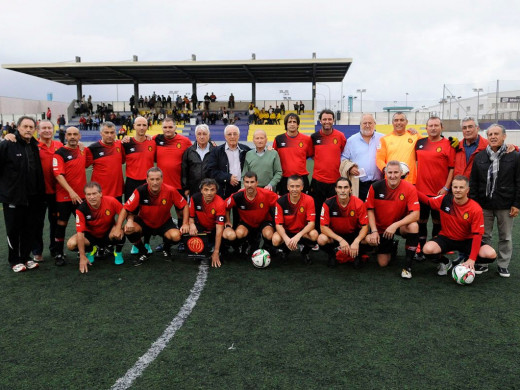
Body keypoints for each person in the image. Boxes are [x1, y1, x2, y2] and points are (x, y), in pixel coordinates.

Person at [469, 124, 520, 277]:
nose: (493, 137)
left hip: (506, 204)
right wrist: (474, 203)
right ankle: (483, 262)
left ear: (504, 136)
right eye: (490, 134)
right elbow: (474, 182)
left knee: (505, 236)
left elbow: (519, 181)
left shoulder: (515, 156)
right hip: (484, 204)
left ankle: (503, 265)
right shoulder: (480, 156)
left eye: (496, 134)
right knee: (483, 235)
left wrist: (516, 204)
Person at [420, 175, 497, 275]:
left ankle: (465, 260)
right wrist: (410, 188)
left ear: (467, 190)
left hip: (467, 240)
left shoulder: (475, 208)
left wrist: (472, 259)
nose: (458, 190)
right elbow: (427, 201)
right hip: (446, 238)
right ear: (451, 188)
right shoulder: (444, 200)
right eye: (455, 187)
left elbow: (477, 235)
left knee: (490, 254)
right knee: (427, 249)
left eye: (461, 187)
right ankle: (446, 262)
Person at [114, 167, 190, 265]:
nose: (155, 182)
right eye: (152, 179)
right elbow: (125, 208)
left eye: (158, 179)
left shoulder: (170, 190)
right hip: (144, 222)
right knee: (128, 229)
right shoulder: (140, 190)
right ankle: (143, 252)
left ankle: (166, 249)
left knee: (176, 236)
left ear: (162, 179)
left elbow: (184, 205)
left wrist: (185, 223)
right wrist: (118, 228)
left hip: (164, 222)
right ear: (147, 179)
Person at [0, 116, 45, 272]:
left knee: (28, 229)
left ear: (34, 129)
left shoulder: (34, 145)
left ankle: (25, 258)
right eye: (25, 126)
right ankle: (14, 261)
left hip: (32, 197)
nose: (28, 129)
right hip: (13, 197)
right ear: (18, 127)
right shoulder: (7, 144)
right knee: (14, 230)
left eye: (31, 127)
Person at [365, 161, 420, 279]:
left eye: (396, 172)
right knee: (382, 263)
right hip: (381, 228)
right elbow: (369, 209)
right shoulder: (375, 187)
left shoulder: (409, 188)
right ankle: (392, 246)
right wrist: (374, 230)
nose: (393, 176)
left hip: (399, 226)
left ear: (401, 173)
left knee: (414, 226)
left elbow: (415, 214)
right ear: (385, 173)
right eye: (390, 172)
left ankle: (408, 266)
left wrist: (395, 225)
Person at [414, 116, 455, 261]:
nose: (433, 128)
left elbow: (452, 168)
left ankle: (436, 249)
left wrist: (446, 187)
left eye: (436, 125)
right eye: (430, 125)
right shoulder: (419, 143)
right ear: (426, 128)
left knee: (439, 222)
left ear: (441, 128)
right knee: (421, 221)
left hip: (440, 193)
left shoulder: (449, 144)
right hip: (421, 191)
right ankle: (420, 249)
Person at [67, 182, 126, 273]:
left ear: (100, 193)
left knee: (120, 231)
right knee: (71, 244)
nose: (92, 197)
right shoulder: (81, 209)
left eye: (94, 193)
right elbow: (80, 232)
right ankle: (91, 249)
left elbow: (123, 211)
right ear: (85, 196)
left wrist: (118, 227)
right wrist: (82, 256)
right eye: (88, 194)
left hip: (108, 233)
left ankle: (117, 252)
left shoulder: (111, 201)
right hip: (91, 236)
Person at [53, 126, 87, 266]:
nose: (72, 137)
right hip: (64, 197)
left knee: (84, 224)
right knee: (62, 224)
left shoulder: (82, 150)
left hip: (81, 196)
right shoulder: (59, 153)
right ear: (65, 137)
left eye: (75, 134)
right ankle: (59, 253)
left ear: (79, 137)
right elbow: (58, 175)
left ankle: (84, 250)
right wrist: (71, 192)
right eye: (69, 134)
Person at [223, 171, 279, 256]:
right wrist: (227, 221)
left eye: (252, 182)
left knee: (268, 234)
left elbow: (282, 202)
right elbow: (225, 206)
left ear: (257, 183)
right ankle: (245, 244)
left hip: (264, 221)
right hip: (246, 223)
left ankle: (267, 247)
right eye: (247, 182)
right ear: (243, 183)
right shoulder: (237, 196)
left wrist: (279, 223)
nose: (249, 185)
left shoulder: (266, 194)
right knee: (239, 233)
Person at [317, 177, 369, 268]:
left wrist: (356, 241)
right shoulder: (328, 203)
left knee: (370, 239)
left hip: (353, 234)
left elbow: (365, 226)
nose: (343, 190)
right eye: (340, 187)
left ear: (350, 189)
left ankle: (358, 255)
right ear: (336, 189)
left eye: (345, 187)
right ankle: (332, 254)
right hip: (335, 236)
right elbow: (323, 227)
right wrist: (340, 239)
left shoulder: (359, 203)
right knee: (321, 239)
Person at [310, 109, 346, 233]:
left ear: (333, 120)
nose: (327, 121)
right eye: (324, 119)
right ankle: (317, 234)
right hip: (318, 181)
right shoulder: (314, 137)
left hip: (335, 181)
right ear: (320, 121)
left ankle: (333, 234)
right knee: (317, 209)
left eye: (329, 119)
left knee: (334, 209)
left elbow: (343, 152)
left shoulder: (340, 136)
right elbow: (311, 153)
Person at [272, 175, 319, 264]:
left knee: (314, 234)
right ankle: (285, 252)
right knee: (275, 239)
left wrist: (298, 236)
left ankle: (305, 253)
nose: (295, 189)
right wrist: (286, 238)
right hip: (287, 231)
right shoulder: (281, 201)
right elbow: (278, 224)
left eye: (297, 186)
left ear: (302, 187)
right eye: (292, 186)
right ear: (287, 187)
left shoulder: (309, 200)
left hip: (302, 231)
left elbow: (311, 223)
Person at [341, 114, 384, 201]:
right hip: (360, 185)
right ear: (360, 124)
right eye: (365, 123)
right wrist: (350, 168)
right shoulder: (351, 140)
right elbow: (343, 158)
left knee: (378, 211)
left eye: (370, 123)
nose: (367, 125)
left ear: (374, 124)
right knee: (360, 210)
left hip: (379, 184)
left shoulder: (383, 138)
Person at [188, 178, 226, 268]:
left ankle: (215, 246)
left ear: (216, 191)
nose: (209, 193)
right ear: (201, 190)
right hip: (201, 228)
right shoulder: (195, 198)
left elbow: (219, 229)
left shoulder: (220, 203)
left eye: (212, 190)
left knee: (225, 240)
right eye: (206, 190)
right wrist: (192, 224)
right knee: (188, 231)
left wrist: (216, 252)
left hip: (214, 230)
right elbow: (191, 218)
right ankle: (207, 244)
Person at [206, 125, 251, 200]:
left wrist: (269, 150)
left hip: (243, 188)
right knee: (224, 211)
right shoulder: (216, 151)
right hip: (224, 188)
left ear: (239, 136)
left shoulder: (246, 150)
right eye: (229, 134)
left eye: (235, 134)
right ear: (225, 136)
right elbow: (211, 171)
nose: (232, 136)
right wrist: (228, 177)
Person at [273, 113, 313, 195]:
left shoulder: (306, 139)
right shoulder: (278, 139)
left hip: (301, 177)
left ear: (298, 125)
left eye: (294, 122)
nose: (292, 124)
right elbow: (274, 156)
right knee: (284, 204)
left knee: (302, 204)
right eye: (289, 122)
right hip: (284, 178)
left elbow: (309, 154)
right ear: (286, 124)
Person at [376, 112, 421, 184]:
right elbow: (379, 159)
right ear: (392, 123)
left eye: (402, 120)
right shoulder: (384, 139)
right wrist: (387, 170)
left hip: (410, 181)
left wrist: (417, 133)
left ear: (406, 122)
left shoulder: (415, 136)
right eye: (396, 120)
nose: (399, 122)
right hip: (391, 181)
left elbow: (426, 150)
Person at [85, 121, 125, 202]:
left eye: (112, 132)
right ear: (101, 133)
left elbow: (123, 161)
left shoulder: (120, 145)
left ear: (115, 133)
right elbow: (83, 165)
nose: (109, 135)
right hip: (100, 193)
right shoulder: (92, 149)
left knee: (120, 214)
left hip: (117, 191)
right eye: (106, 132)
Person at [181, 124, 216, 198]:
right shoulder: (189, 151)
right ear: (195, 136)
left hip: (211, 189)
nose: (202, 136)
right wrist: (186, 187)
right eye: (199, 134)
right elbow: (184, 171)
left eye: (204, 134)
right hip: (194, 188)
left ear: (208, 135)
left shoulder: (215, 150)